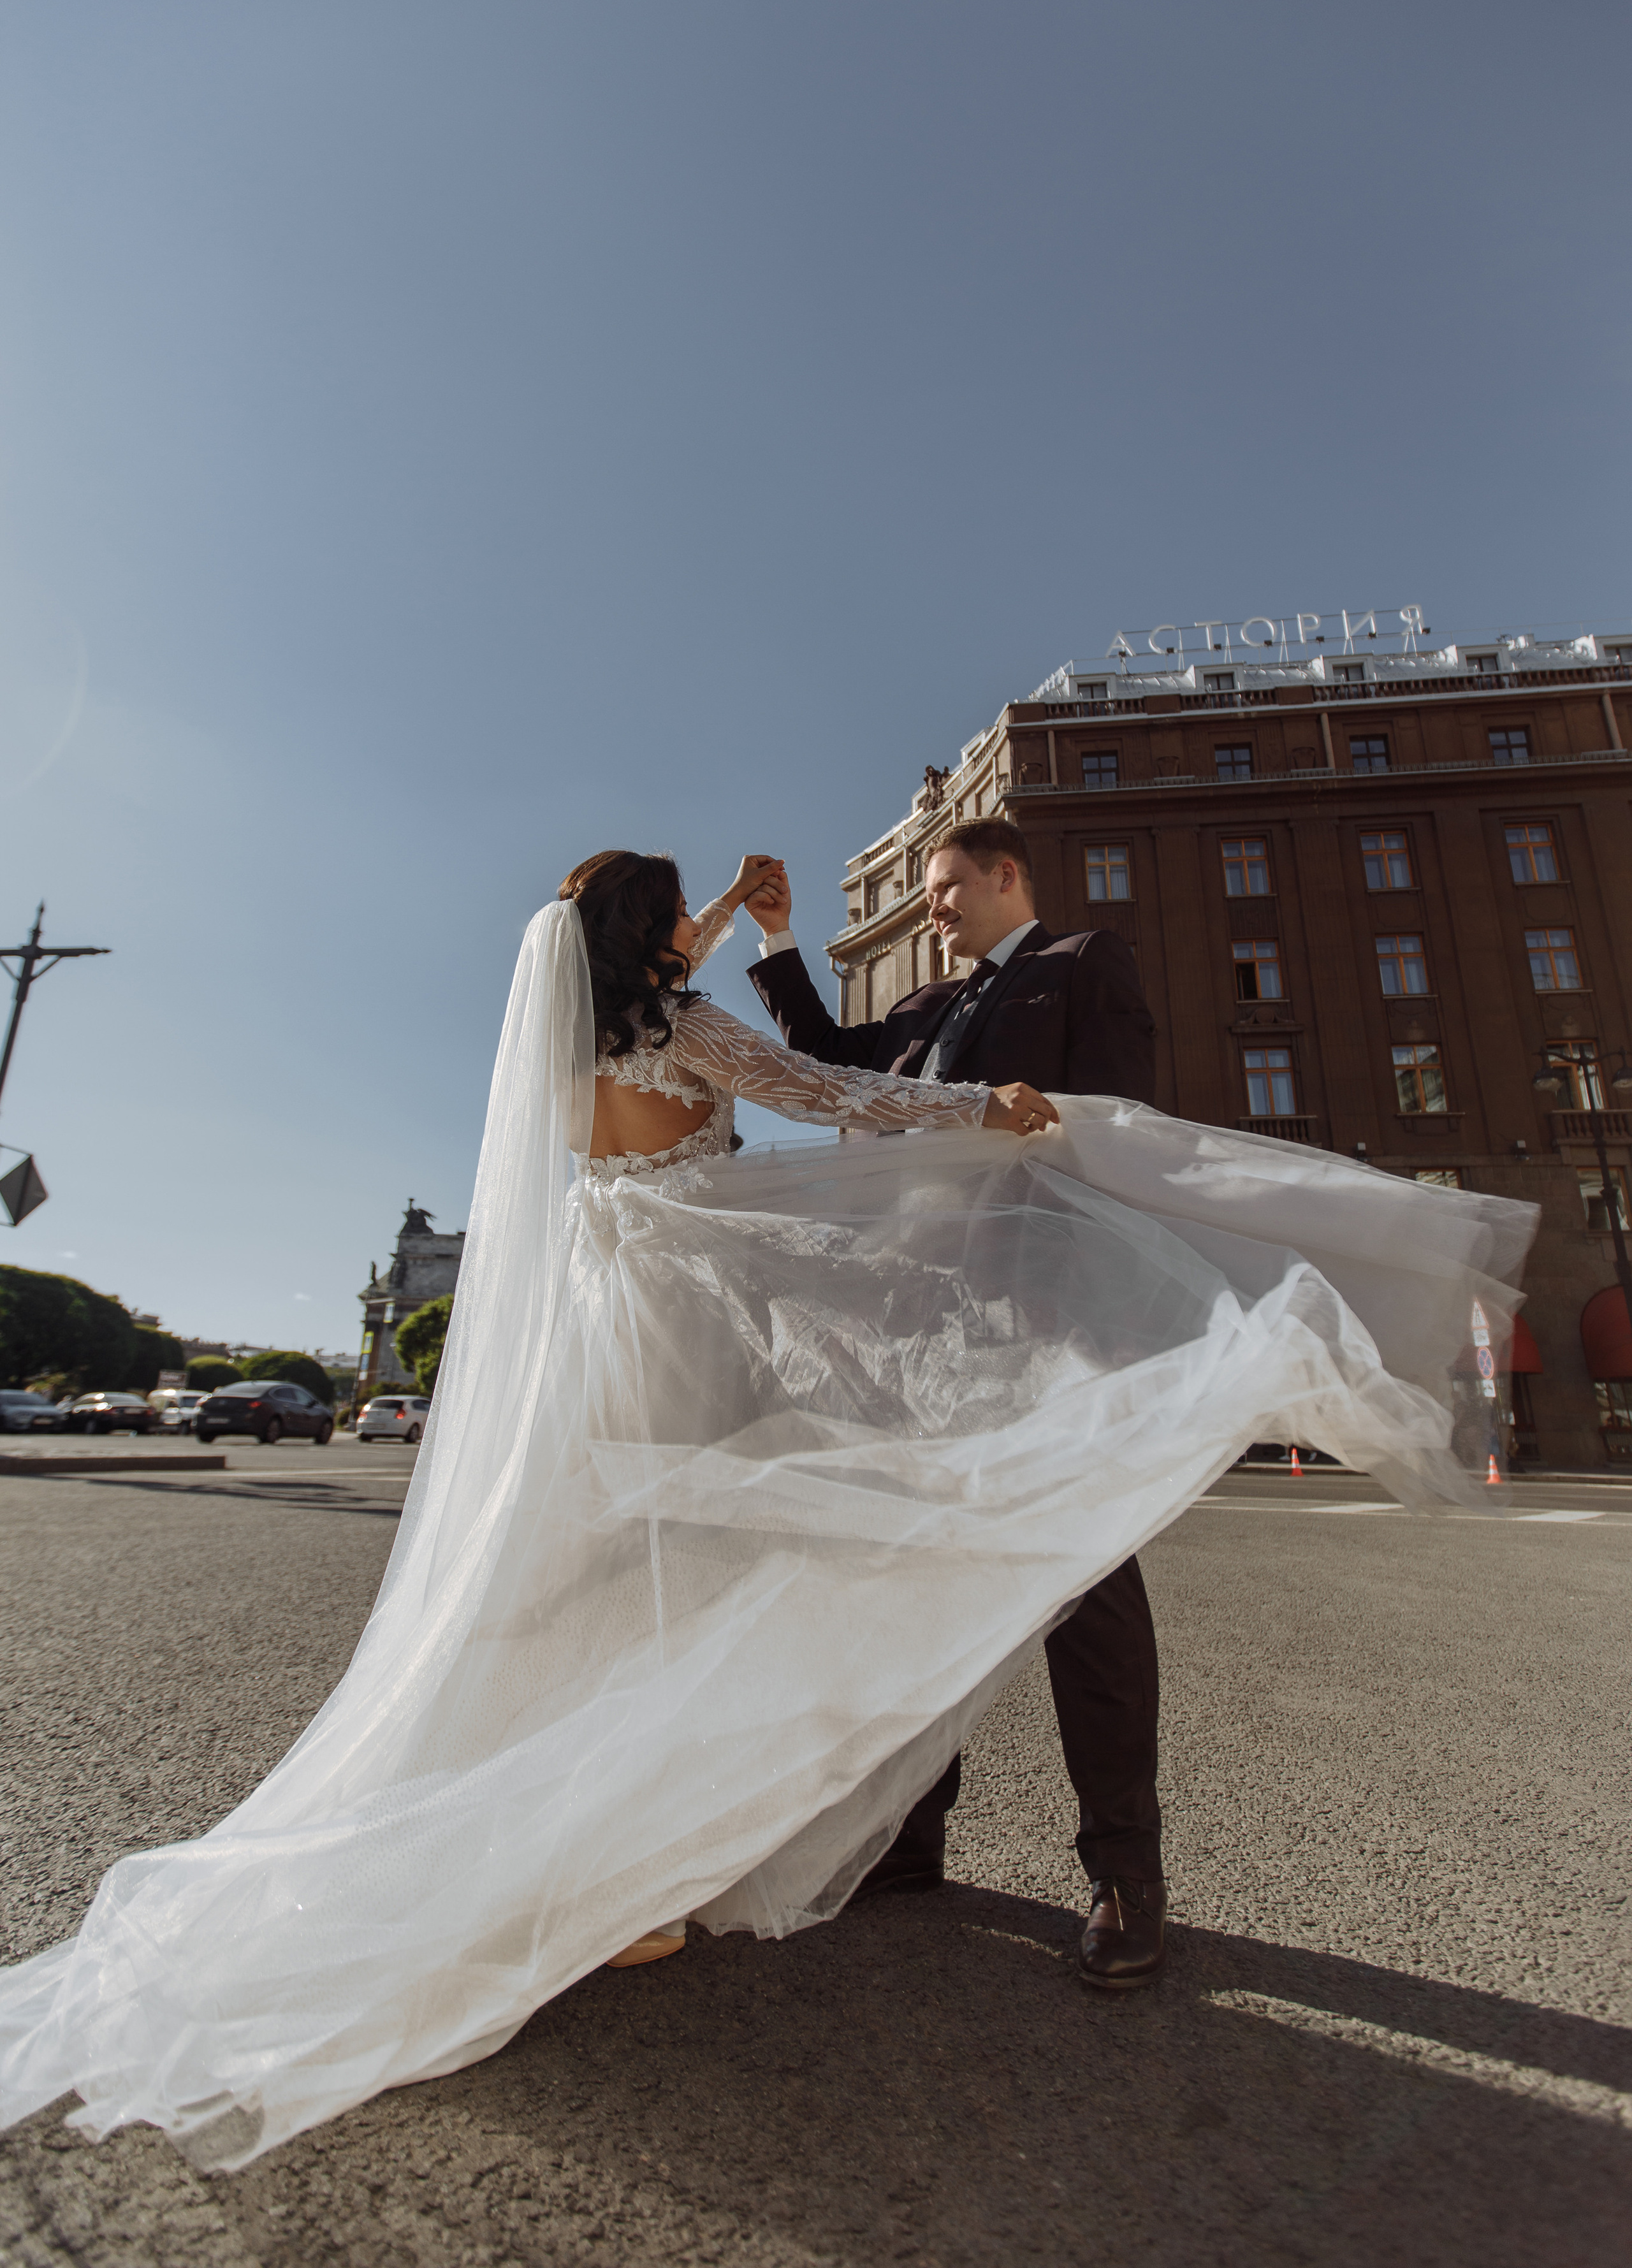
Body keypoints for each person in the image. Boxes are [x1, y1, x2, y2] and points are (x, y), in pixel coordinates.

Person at [0, 847, 1534, 2170]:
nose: (693, 940)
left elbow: (673, 995)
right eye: (683, 923)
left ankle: (603, 1861)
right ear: (650, 944)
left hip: (588, 1326)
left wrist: (727, 910)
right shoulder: (680, 1022)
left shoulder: (562, 1037)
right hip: (688, 1325)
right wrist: (983, 1109)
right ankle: (644, 1867)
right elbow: (823, 1092)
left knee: (597, 1581)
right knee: (721, 1568)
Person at [745, 818, 1170, 1987]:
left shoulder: (1083, 965)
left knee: (1085, 1588)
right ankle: (909, 1839)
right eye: (925, 894)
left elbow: (1120, 1130)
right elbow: (828, 1060)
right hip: (919, 1331)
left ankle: (1126, 1874)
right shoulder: (924, 1016)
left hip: (1045, 1321)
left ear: (1005, 877)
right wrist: (780, 937)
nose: (934, 907)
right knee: (918, 1575)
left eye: (946, 887)